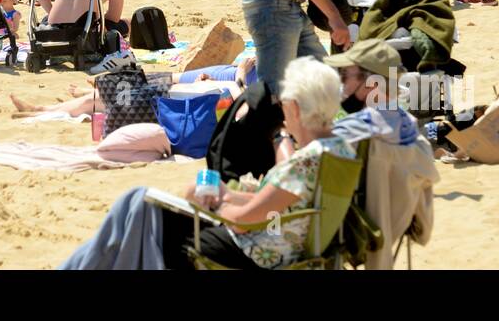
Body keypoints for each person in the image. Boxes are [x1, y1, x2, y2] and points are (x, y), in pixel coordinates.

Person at [62, 57, 354, 269]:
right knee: (136, 207)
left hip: (253, 251)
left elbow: (244, 221)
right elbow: (276, 204)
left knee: (140, 209)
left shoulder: (304, 162)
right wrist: (227, 194)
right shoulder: (339, 150)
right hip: (274, 241)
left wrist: (214, 205)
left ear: (294, 107)